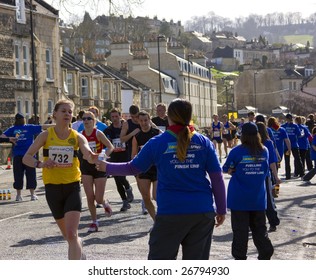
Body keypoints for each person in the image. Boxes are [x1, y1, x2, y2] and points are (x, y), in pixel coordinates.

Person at [93, 98, 226, 260]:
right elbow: (217, 178)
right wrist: (221, 209)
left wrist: (106, 166)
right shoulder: (203, 142)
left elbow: (133, 167)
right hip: (202, 212)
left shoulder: (158, 142)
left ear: (168, 117)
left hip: (171, 212)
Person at [22, 99, 94, 260]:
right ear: (55, 114)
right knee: (69, 237)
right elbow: (26, 158)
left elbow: (87, 152)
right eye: (63, 111)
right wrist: (41, 163)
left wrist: (92, 156)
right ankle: (79, 251)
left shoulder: (77, 136)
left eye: (70, 111)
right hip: (52, 189)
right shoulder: (46, 135)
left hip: (72, 186)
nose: (67, 114)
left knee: (71, 233)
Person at [222, 122, 274, 260]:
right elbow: (265, 171)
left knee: (240, 232)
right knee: (260, 230)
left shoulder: (237, 151)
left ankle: (240, 259)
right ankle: (265, 254)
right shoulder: (264, 151)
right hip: (257, 198)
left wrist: (232, 170)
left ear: (242, 135)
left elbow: (225, 168)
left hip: (239, 199)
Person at [3, 113, 52, 201]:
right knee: (31, 174)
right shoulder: (29, 127)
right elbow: (43, 126)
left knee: (18, 175)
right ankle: (32, 195)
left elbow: (2, 136)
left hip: (17, 155)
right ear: (23, 119)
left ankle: (18, 195)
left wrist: (10, 138)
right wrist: (57, 124)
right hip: (29, 155)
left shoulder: (13, 129)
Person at [80, 110, 114, 233]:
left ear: (94, 121)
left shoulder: (98, 133)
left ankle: (104, 203)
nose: (86, 121)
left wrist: (103, 156)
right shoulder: (80, 135)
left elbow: (110, 147)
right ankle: (94, 222)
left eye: (89, 118)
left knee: (98, 199)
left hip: (99, 167)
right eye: (84, 119)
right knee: (89, 197)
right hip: (86, 167)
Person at [132, 110, 161, 221]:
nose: (144, 123)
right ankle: (156, 221)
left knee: (156, 196)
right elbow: (133, 155)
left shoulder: (157, 133)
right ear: (138, 122)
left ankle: (164, 215)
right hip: (144, 169)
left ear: (149, 120)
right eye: (141, 121)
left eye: (145, 120)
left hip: (157, 168)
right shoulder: (137, 137)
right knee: (146, 197)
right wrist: (135, 172)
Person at [103, 108, 134, 212]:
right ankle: (125, 201)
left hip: (125, 155)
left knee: (121, 177)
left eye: (116, 116)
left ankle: (128, 187)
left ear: (120, 116)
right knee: (117, 179)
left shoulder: (125, 128)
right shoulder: (108, 130)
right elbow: (104, 143)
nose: (115, 119)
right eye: (112, 117)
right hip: (114, 156)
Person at [256, 122, 281, 232]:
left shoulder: (251, 143)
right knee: (269, 200)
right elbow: (272, 162)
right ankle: (273, 222)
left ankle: (254, 222)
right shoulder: (268, 143)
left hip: (253, 176)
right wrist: (276, 177)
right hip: (265, 176)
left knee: (255, 199)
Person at [281, 114, 304, 179]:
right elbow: (299, 134)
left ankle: (290, 175)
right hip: (290, 145)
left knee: (295, 159)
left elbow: (299, 134)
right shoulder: (285, 126)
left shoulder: (285, 126)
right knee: (293, 160)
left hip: (292, 145)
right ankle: (300, 174)